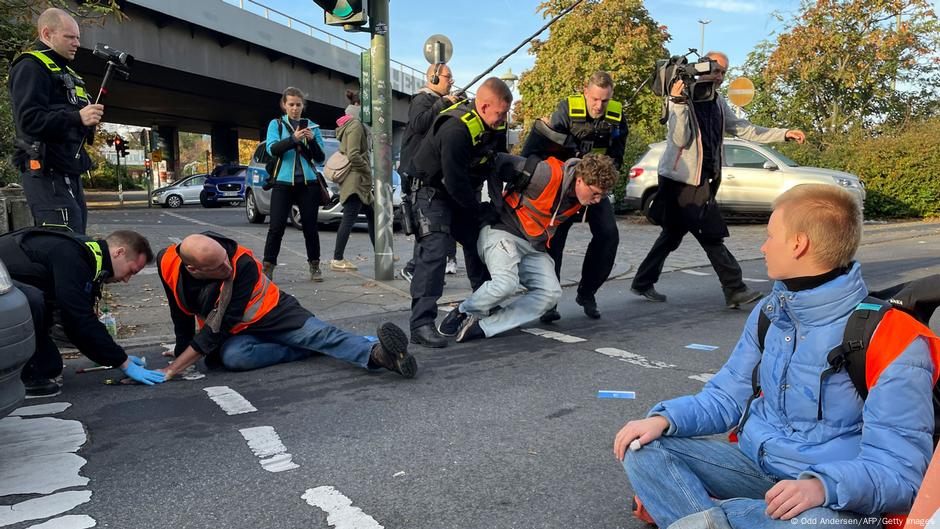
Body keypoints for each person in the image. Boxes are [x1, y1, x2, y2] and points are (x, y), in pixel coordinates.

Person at [614, 184, 937, 529]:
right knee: (642, 446)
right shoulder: (771, 312)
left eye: (770, 236)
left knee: (818, 526)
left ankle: (695, 513)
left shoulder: (892, 336)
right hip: (755, 467)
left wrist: (821, 486)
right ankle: (718, 516)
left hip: (829, 497)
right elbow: (726, 396)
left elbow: (899, 473)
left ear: (799, 244)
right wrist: (665, 419)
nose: (763, 246)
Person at [631, 51, 806, 308]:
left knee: (672, 234)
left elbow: (742, 128)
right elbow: (679, 140)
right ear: (702, 67)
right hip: (682, 181)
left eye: (724, 72)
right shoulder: (682, 97)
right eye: (717, 70)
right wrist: (678, 103)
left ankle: (642, 282)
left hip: (703, 178)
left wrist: (783, 134)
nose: (720, 77)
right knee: (710, 233)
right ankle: (734, 287)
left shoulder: (716, 100)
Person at [156, 232, 417, 379]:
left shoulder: (242, 264)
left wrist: (174, 368)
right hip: (236, 333)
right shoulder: (167, 262)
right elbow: (179, 312)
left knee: (321, 335)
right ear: (193, 268)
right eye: (218, 267)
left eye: (226, 259)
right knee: (234, 358)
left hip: (275, 314)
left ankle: (379, 355)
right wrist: (183, 349)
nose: (227, 267)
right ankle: (310, 349)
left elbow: (218, 325)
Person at [438, 153, 619, 343]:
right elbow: (496, 161)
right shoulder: (546, 175)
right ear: (580, 180)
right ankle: (463, 312)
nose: (598, 200)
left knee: (551, 293)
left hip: (532, 247)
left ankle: (484, 327)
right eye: (595, 193)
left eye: (603, 195)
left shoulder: (580, 196)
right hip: (502, 232)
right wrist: (493, 206)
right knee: (506, 283)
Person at [406, 77, 510, 348]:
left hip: (459, 192)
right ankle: (421, 324)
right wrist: (477, 209)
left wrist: (495, 210)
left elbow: (495, 166)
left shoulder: (494, 125)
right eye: (500, 114)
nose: (503, 119)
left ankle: (484, 304)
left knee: (480, 241)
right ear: (484, 106)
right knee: (436, 250)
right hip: (431, 192)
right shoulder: (455, 128)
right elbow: (454, 181)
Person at [0, 227, 164, 396]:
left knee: (50, 366)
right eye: (131, 271)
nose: (126, 280)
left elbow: (77, 323)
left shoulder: (89, 259)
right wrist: (123, 362)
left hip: (9, 288)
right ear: (119, 253)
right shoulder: (74, 257)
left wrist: (116, 358)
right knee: (30, 300)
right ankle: (23, 379)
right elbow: (79, 319)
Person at [525, 71, 628, 323]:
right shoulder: (566, 110)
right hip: (565, 187)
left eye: (604, 101)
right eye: (594, 99)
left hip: (594, 186)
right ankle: (549, 301)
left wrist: (600, 179)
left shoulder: (616, 117)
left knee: (608, 236)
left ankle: (587, 293)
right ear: (585, 91)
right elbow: (545, 148)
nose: (599, 106)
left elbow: (617, 157)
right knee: (555, 243)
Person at [8, 8, 104, 234]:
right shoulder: (31, 66)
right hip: (45, 169)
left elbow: (72, 123)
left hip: (68, 167)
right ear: (47, 34)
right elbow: (29, 120)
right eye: (69, 37)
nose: (77, 43)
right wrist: (77, 116)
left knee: (77, 236)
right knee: (63, 239)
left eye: (78, 37)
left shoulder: (68, 73)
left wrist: (87, 120)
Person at [398, 63, 460, 283]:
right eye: (447, 77)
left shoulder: (436, 102)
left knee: (432, 223)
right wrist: (443, 103)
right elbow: (419, 124)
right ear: (433, 78)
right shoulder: (422, 99)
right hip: (417, 173)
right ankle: (415, 268)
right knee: (426, 223)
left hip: (427, 173)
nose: (451, 81)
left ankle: (424, 269)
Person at [261, 87, 326, 282]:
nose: (295, 108)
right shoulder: (277, 124)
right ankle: (268, 267)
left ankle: (315, 265)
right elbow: (272, 149)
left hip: (309, 185)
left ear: (303, 106)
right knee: (276, 227)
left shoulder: (313, 127)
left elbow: (320, 158)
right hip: (282, 183)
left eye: (298, 105)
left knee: (310, 227)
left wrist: (312, 141)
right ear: (284, 105)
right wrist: (294, 139)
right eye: (291, 104)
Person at [331, 89, 375, 271]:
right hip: (356, 180)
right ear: (359, 105)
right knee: (349, 218)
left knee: (373, 215)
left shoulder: (350, 123)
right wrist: (367, 171)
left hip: (357, 180)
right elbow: (354, 154)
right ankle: (337, 259)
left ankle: (381, 251)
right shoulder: (356, 125)